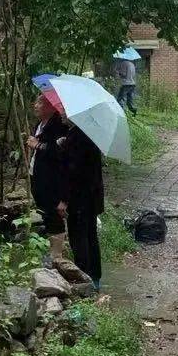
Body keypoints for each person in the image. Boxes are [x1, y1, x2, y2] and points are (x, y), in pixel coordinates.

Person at [63, 121, 104, 286]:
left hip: (80, 197)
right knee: (90, 236)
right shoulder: (91, 132)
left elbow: (73, 170)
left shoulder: (78, 135)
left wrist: (62, 149)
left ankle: (84, 279)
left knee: (79, 238)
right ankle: (95, 277)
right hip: (92, 196)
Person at [28, 92, 68, 257]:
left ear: (51, 106)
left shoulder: (59, 126)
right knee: (45, 211)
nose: (36, 106)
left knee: (53, 215)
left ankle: (56, 254)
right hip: (37, 175)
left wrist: (38, 146)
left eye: (40, 103)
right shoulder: (40, 124)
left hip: (52, 180)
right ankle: (55, 249)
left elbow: (60, 153)